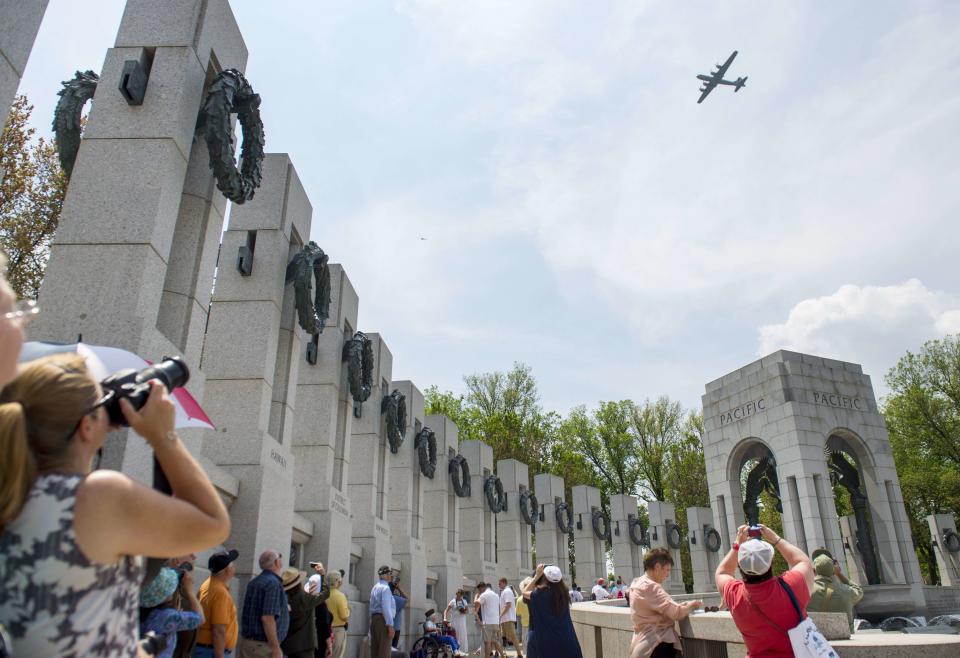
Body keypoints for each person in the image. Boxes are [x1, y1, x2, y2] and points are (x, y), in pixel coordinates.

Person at [0, 354, 231, 658]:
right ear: (85, 426)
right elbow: (213, 524)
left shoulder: (13, 495)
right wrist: (163, 437)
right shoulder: (96, 496)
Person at [715, 524, 815, 657]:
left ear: (739, 565)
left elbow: (722, 572)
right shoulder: (792, 585)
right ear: (771, 561)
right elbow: (803, 562)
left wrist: (737, 544)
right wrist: (776, 539)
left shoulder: (734, 595)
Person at [628, 548, 702, 658]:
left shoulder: (637, 583)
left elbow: (660, 606)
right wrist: (693, 605)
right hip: (657, 646)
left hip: (642, 644)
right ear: (658, 567)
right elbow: (676, 613)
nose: (667, 575)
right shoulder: (651, 587)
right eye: (667, 570)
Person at [140, 566, 205, 658]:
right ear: (163, 594)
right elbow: (200, 618)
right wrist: (189, 590)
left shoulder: (142, 612)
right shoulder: (167, 617)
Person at [522, 564, 582, 658]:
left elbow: (524, 592)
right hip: (568, 641)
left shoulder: (539, 595)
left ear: (545, 578)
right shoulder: (564, 593)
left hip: (549, 644)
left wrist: (537, 576)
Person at [239, 550, 290, 658]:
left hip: (249, 643)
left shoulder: (254, 582)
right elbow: (267, 618)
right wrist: (276, 648)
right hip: (263, 647)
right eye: (280, 558)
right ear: (276, 563)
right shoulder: (273, 583)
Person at [195, 549, 240, 658]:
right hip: (212, 652)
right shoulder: (220, 592)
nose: (235, 568)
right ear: (227, 571)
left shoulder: (207, 584)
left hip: (206, 650)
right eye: (233, 565)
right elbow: (218, 630)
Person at [280, 566, 330, 658]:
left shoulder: (283, 599)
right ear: (298, 583)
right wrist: (323, 575)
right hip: (304, 645)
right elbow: (325, 593)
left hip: (287, 645)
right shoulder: (304, 598)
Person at [808, 554, 863, 631]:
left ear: (813, 571)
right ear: (833, 572)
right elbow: (859, 590)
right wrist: (839, 574)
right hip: (844, 639)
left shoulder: (805, 591)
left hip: (817, 640)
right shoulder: (846, 591)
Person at [167, 554, 200, 658]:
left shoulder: (184, 583)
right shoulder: (168, 585)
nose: (194, 557)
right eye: (190, 553)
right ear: (177, 559)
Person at [369, 565, 396, 658]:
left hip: (375, 619)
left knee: (375, 650)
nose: (391, 576)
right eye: (390, 574)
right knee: (384, 651)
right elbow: (386, 608)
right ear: (387, 575)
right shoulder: (386, 588)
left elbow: (371, 605)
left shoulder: (375, 587)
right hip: (383, 620)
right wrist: (390, 625)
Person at [475, 582, 503, 658]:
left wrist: (476, 597)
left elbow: (476, 605)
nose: (479, 592)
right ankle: (503, 656)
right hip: (496, 622)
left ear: (482, 588)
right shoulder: (496, 595)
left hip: (487, 622)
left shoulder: (483, 595)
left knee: (487, 642)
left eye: (479, 590)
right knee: (495, 640)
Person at [326, 570, 350, 658]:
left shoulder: (323, 594)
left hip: (324, 631)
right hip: (337, 631)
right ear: (338, 582)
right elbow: (344, 616)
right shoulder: (340, 596)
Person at [499, 578, 524, 658]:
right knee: (504, 638)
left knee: (512, 637)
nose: (499, 585)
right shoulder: (505, 592)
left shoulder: (507, 591)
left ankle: (519, 654)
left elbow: (508, 605)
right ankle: (504, 654)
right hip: (505, 619)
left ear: (504, 583)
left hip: (508, 619)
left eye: (499, 584)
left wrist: (500, 615)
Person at [443, 589, 471, 655]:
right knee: (455, 635)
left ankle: (462, 651)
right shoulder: (452, 601)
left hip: (462, 621)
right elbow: (446, 610)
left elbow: (467, 611)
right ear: (456, 594)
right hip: (455, 621)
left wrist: (463, 610)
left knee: (462, 635)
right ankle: (455, 651)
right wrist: (445, 618)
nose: (459, 596)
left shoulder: (464, 601)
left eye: (461, 595)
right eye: (458, 595)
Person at [389, 579, 408, 648]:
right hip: (396, 628)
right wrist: (399, 588)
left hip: (385, 627)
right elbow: (407, 600)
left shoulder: (384, 598)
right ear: (394, 589)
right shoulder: (396, 599)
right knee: (393, 649)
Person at [515, 578, 532, 647]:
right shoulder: (535, 596)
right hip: (535, 624)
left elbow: (518, 613)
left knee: (525, 642)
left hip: (524, 623)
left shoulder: (519, 600)